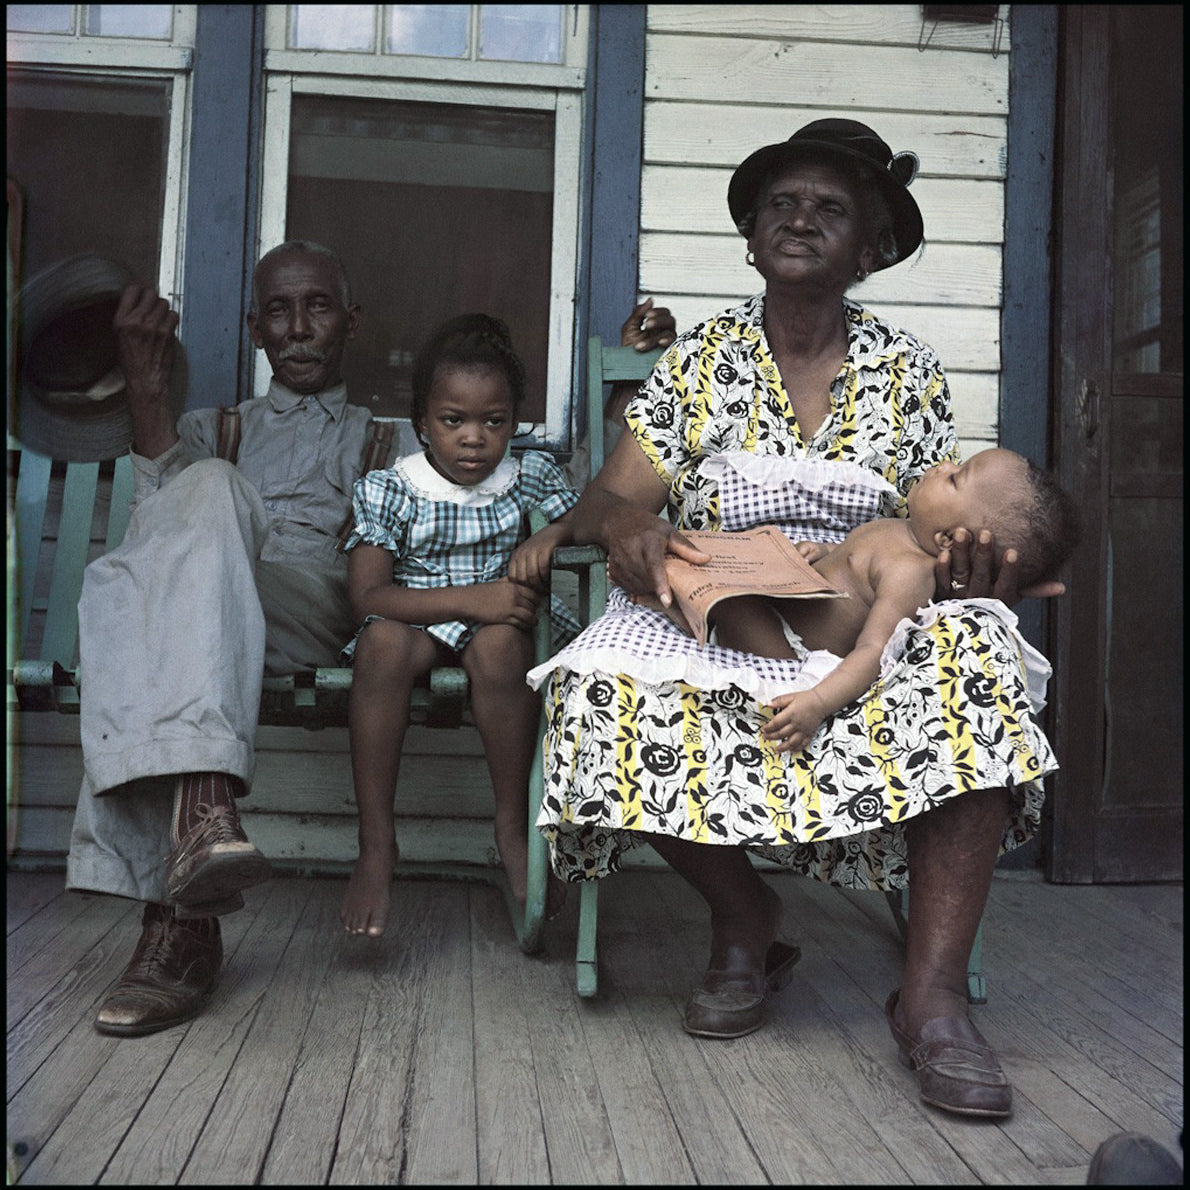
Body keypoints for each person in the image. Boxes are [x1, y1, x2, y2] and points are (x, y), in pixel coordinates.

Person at [527, 118, 1066, 1120]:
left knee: (982, 653)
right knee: (595, 690)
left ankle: (931, 994)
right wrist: (636, 527)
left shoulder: (906, 369)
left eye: (829, 207)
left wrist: (976, 571)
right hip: (719, 607)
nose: (800, 219)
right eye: (781, 202)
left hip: (850, 607)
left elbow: (934, 521)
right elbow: (604, 502)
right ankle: (744, 918)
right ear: (748, 236)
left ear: (868, 248)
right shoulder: (700, 361)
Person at [340, 314, 578, 937]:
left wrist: (553, 532)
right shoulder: (390, 489)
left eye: (493, 422)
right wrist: (475, 599)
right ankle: (376, 843)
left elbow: (589, 522)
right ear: (421, 423)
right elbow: (368, 595)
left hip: (494, 630)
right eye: (454, 421)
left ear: (514, 422)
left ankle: (511, 826)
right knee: (380, 643)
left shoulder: (530, 477)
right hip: (418, 621)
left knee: (503, 649)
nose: (474, 439)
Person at [708, 449, 1078, 756]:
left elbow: (873, 649)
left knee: (730, 603)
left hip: (795, 655)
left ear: (949, 538)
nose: (942, 465)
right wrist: (822, 553)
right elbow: (856, 562)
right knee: (723, 585)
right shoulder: (899, 533)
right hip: (786, 614)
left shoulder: (909, 573)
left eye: (954, 477)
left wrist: (818, 701)